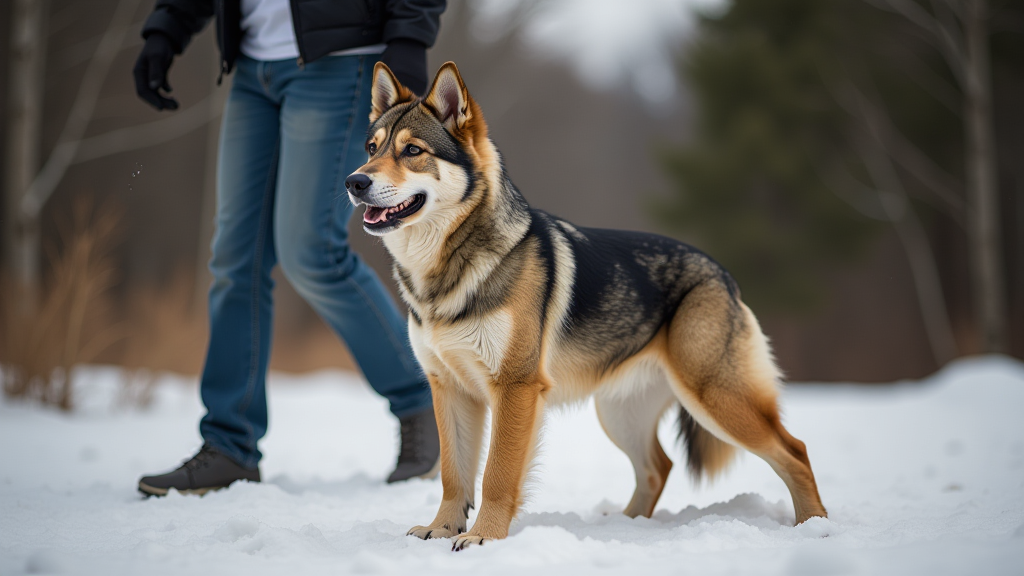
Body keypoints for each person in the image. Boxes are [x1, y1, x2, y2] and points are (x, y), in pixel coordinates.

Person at [133, 0, 446, 495]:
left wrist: (410, 37)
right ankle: (229, 445)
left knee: (311, 251)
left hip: (342, 58)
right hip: (252, 67)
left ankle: (423, 400)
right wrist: (166, 29)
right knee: (235, 259)